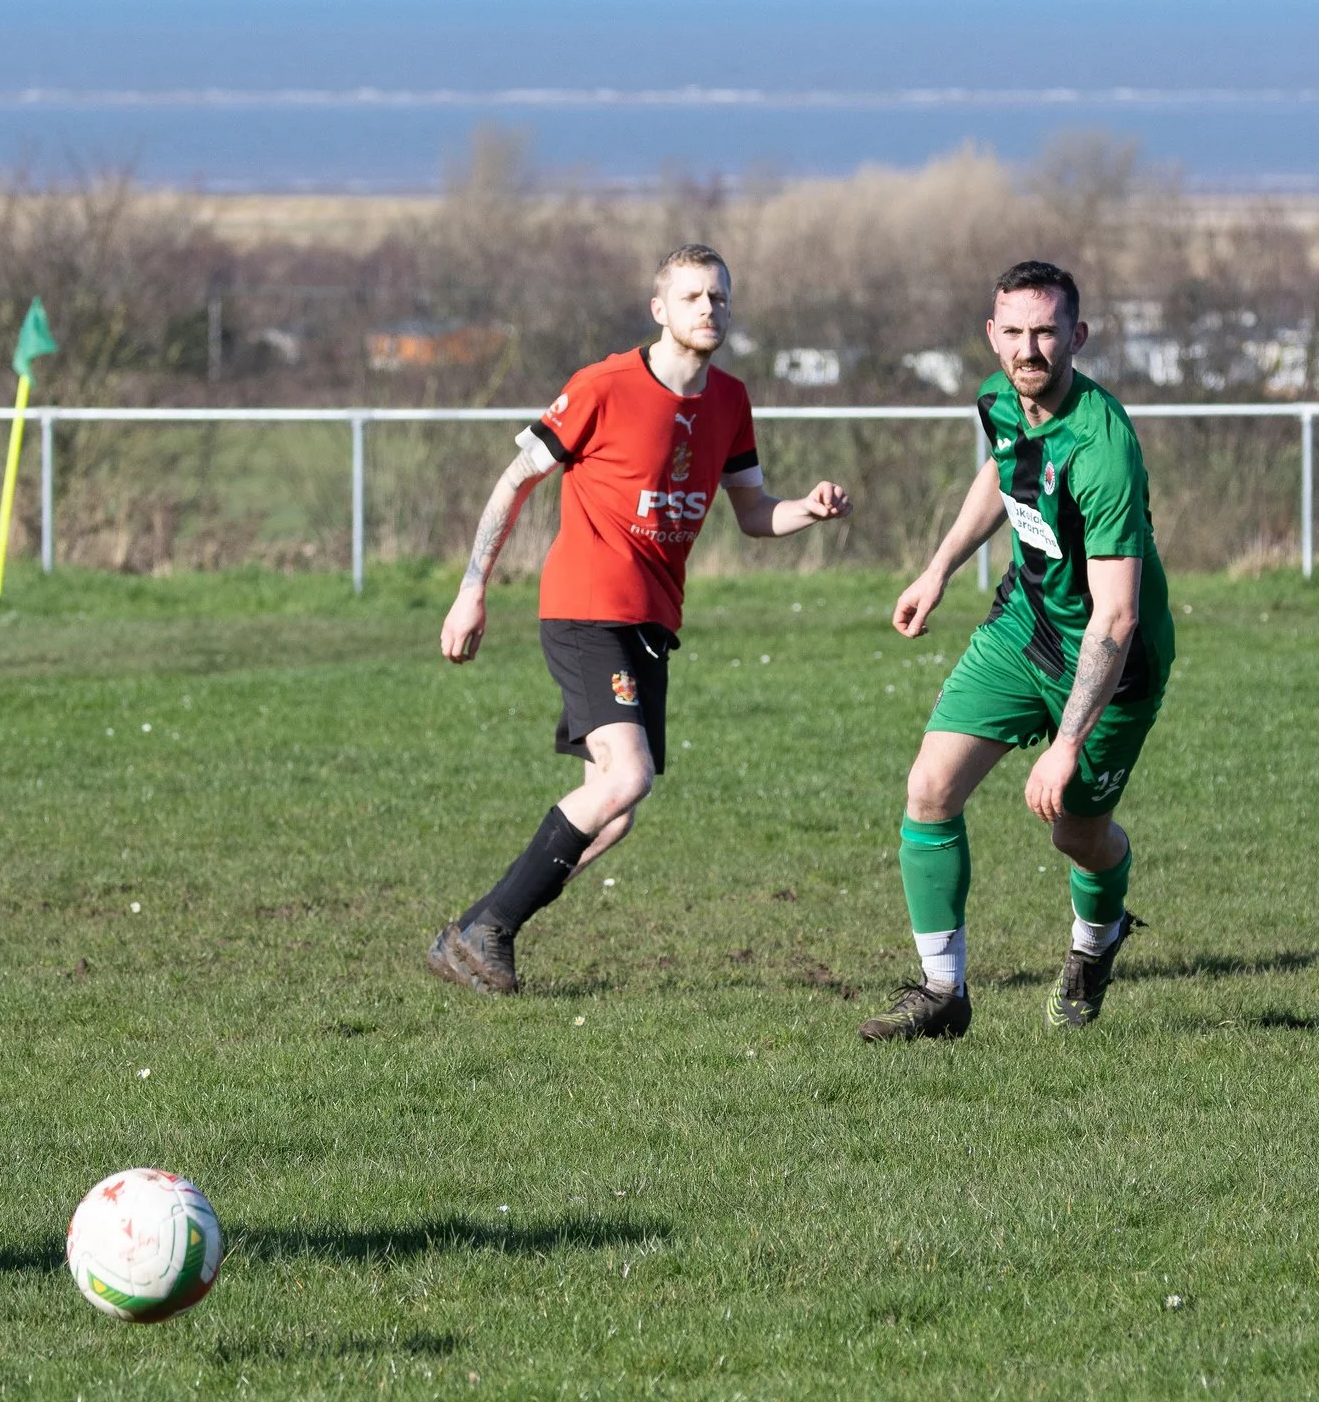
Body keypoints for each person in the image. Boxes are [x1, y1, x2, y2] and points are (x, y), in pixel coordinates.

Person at [426, 244, 850, 995]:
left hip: (652, 620)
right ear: (659, 309)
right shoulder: (604, 386)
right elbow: (515, 480)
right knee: (626, 779)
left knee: (615, 812)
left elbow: (752, 513)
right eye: (691, 297)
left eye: (719, 297)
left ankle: (473, 929)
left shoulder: (730, 401)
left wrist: (806, 511)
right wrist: (472, 589)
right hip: (587, 608)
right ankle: (489, 933)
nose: (708, 310)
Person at [858, 259, 1175, 1040]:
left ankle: (1096, 943)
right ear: (991, 335)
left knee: (1076, 832)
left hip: (1109, 665)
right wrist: (938, 570)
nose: (1029, 348)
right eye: (1015, 332)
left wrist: (1066, 742)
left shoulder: (1102, 447)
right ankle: (942, 994)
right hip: (1023, 630)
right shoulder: (1002, 398)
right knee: (929, 788)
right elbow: (1004, 471)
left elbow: (1117, 617)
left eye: (1046, 331)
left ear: (1078, 335)